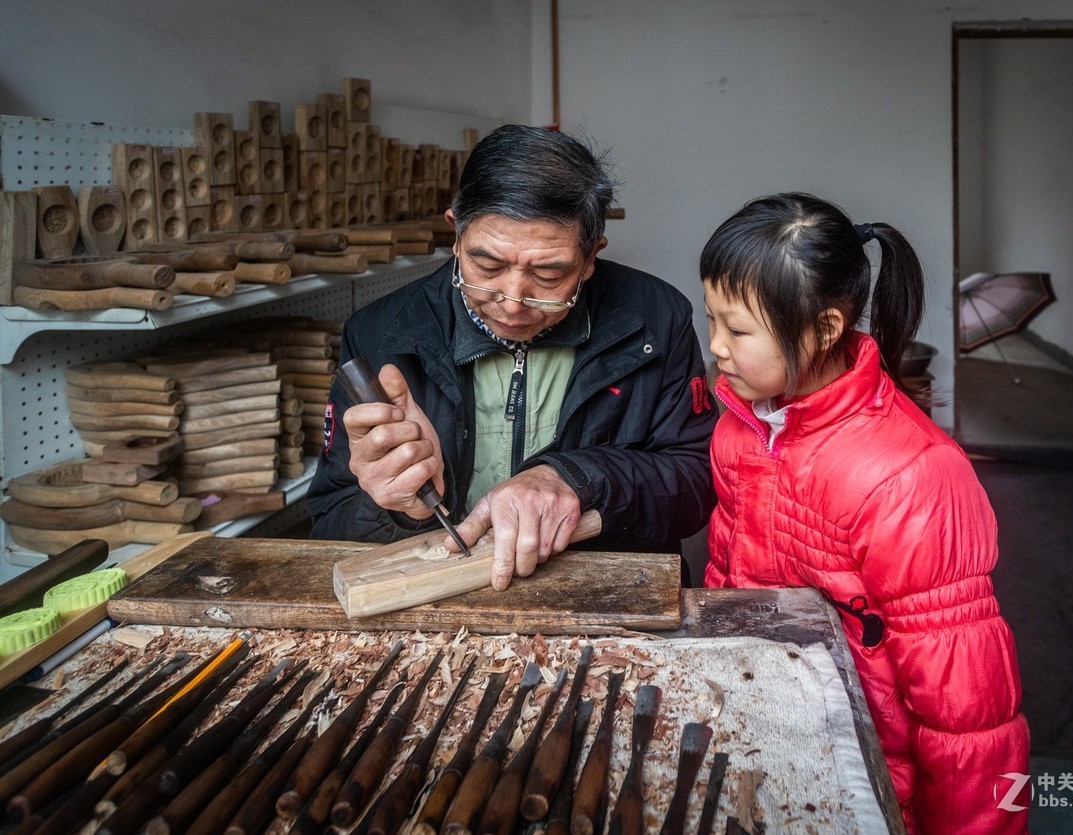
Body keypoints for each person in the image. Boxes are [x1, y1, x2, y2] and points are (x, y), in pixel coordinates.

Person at [700, 192, 1029, 833]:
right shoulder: (741, 424)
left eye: (738, 330)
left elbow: (969, 713)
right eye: (711, 319)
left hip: (876, 772)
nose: (715, 345)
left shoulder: (909, 474)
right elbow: (727, 575)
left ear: (825, 328)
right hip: (773, 732)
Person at [307, 124, 717, 590]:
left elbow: (696, 485)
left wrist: (577, 478)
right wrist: (397, 509)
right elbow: (329, 520)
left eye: (548, 272)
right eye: (488, 266)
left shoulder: (654, 318)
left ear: (590, 258)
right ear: (455, 235)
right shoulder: (379, 333)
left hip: (602, 598)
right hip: (445, 603)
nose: (513, 300)